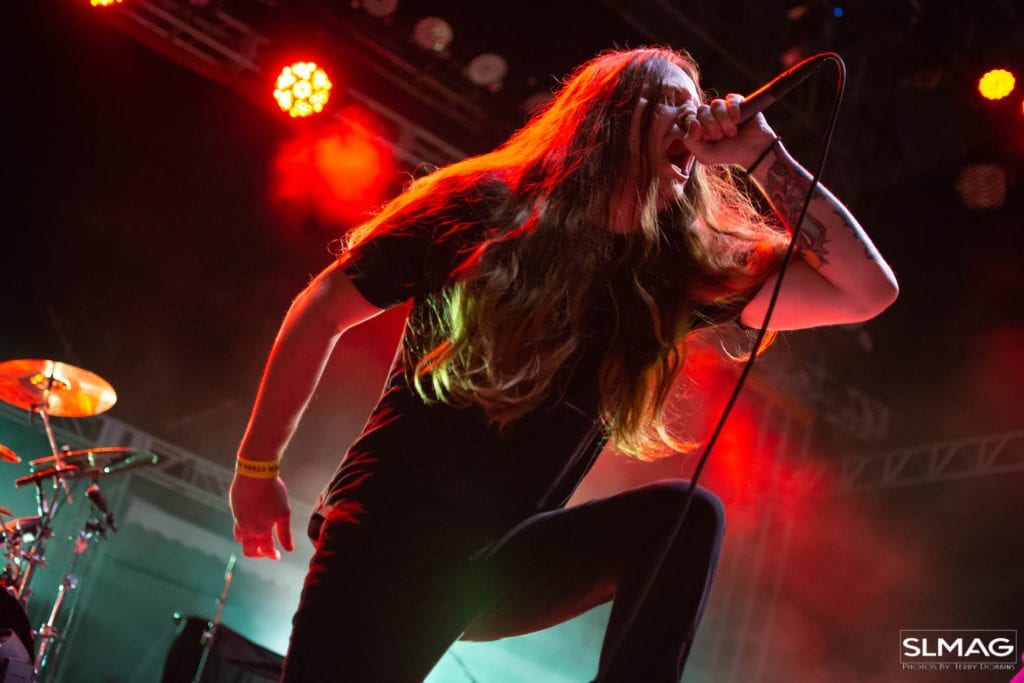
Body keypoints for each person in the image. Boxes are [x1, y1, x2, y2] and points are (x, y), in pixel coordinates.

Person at [229, 46, 898, 682]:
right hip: (388, 534)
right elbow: (324, 307)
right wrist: (257, 466)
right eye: (672, 101)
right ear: (611, 115)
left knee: (682, 519)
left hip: (499, 561)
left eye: (697, 105)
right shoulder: (481, 202)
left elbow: (867, 292)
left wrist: (763, 155)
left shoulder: (674, 270)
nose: (694, 120)